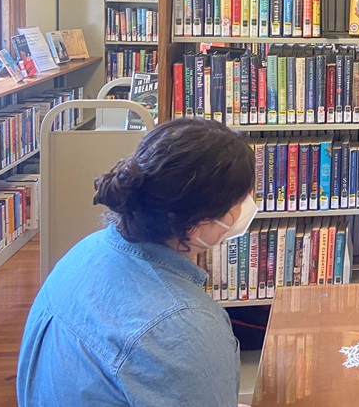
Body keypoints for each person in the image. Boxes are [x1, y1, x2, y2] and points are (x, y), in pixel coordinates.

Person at [17, 118, 256, 407]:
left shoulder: (86, 251)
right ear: (198, 224)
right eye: (241, 200)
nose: (245, 209)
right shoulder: (184, 326)